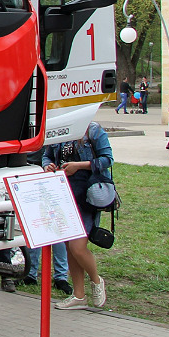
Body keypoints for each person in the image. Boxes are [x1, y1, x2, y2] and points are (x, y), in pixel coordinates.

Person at [41, 122, 111, 310]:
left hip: (86, 196)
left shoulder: (93, 130)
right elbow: (46, 156)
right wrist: (48, 166)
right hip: (62, 193)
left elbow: (107, 159)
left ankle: (96, 281)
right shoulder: (59, 128)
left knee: (77, 247)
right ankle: (78, 295)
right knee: (69, 246)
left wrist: (78, 166)